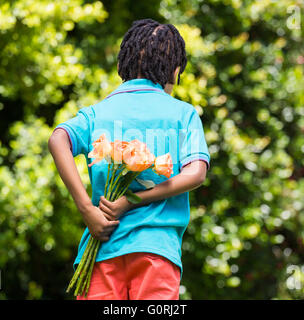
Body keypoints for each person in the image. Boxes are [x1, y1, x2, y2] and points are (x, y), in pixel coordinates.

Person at [48, 18, 210, 300]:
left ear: (124, 63)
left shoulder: (98, 112)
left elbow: (57, 139)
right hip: (156, 251)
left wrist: (88, 210)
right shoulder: (183, 114)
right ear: (173, 71)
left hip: (101, 250)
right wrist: (136, 200)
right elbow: (196, 173)